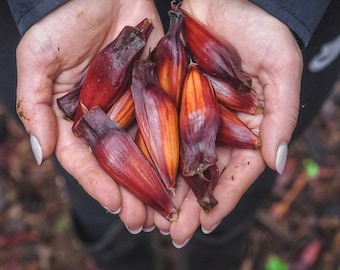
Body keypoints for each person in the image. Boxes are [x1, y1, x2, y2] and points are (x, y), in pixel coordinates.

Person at [1, 0, 339, 269]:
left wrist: (276, 6)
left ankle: (216, 253)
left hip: (266, 24)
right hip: (89, 30)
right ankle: (119, 258)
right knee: (94, 189)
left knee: (244, 181)